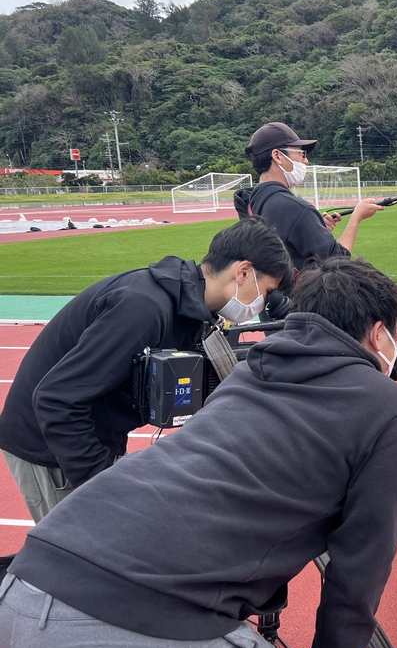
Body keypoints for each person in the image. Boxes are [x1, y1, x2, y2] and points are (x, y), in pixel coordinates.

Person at [0, 256, 397, 648]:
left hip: (19, 592)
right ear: (379, 333)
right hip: (103, 634)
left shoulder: (247, 373)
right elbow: (359, 569)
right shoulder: (391, 408)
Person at [0, 216, 294, 524]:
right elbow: (56, 399)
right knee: (86, 545)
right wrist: (104, 483)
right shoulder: (143, 309)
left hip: (94, 431)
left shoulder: (190, 307)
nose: (262, 304)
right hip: (48, 445)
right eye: (267, 292)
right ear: (244, 272)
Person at [235, 121, 383, 271]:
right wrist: (356, 218)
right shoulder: (296, 208)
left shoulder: (250, 202)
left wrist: (312, 228)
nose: (306, 160)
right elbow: (337, 262)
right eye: (302, 154)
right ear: (277, 156)